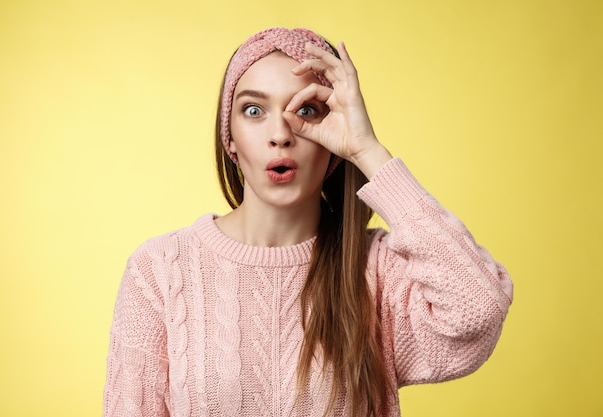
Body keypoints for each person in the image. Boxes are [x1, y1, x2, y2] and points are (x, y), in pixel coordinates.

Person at [102, 27, 513, 417]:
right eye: (253, 110)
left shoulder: (375, 269)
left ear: (333, 143)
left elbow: (477, 310)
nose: (280, 134)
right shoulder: (159, 270)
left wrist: (367, 150)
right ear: (229, 136)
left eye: (306, 110)